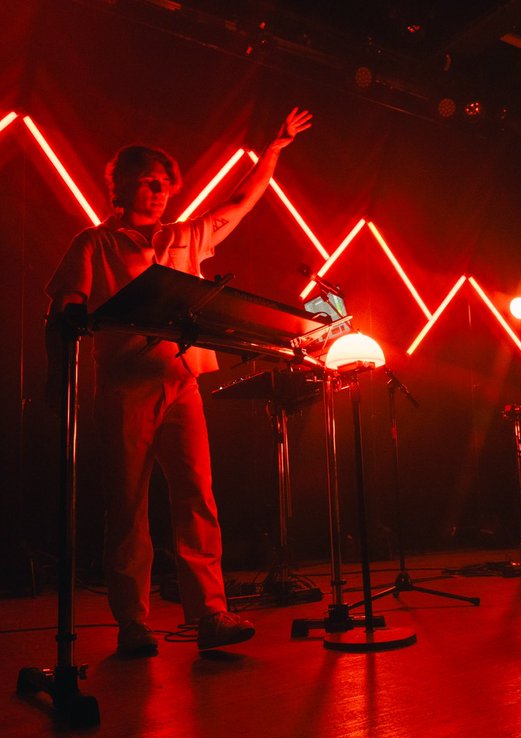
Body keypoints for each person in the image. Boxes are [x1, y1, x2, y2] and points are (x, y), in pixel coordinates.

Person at [46, 107, 313, 655]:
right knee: (127, 506)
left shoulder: (185, 237)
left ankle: (211, 613)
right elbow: (64, 308)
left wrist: (276, 150)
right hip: (124, 386)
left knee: (197, 497)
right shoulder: (94, 244)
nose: (160, 189)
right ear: (120, 186)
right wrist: (58, 376)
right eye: (149, 180)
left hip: (182, 382)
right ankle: (133, 623)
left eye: (165, 182)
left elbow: (241, 203)